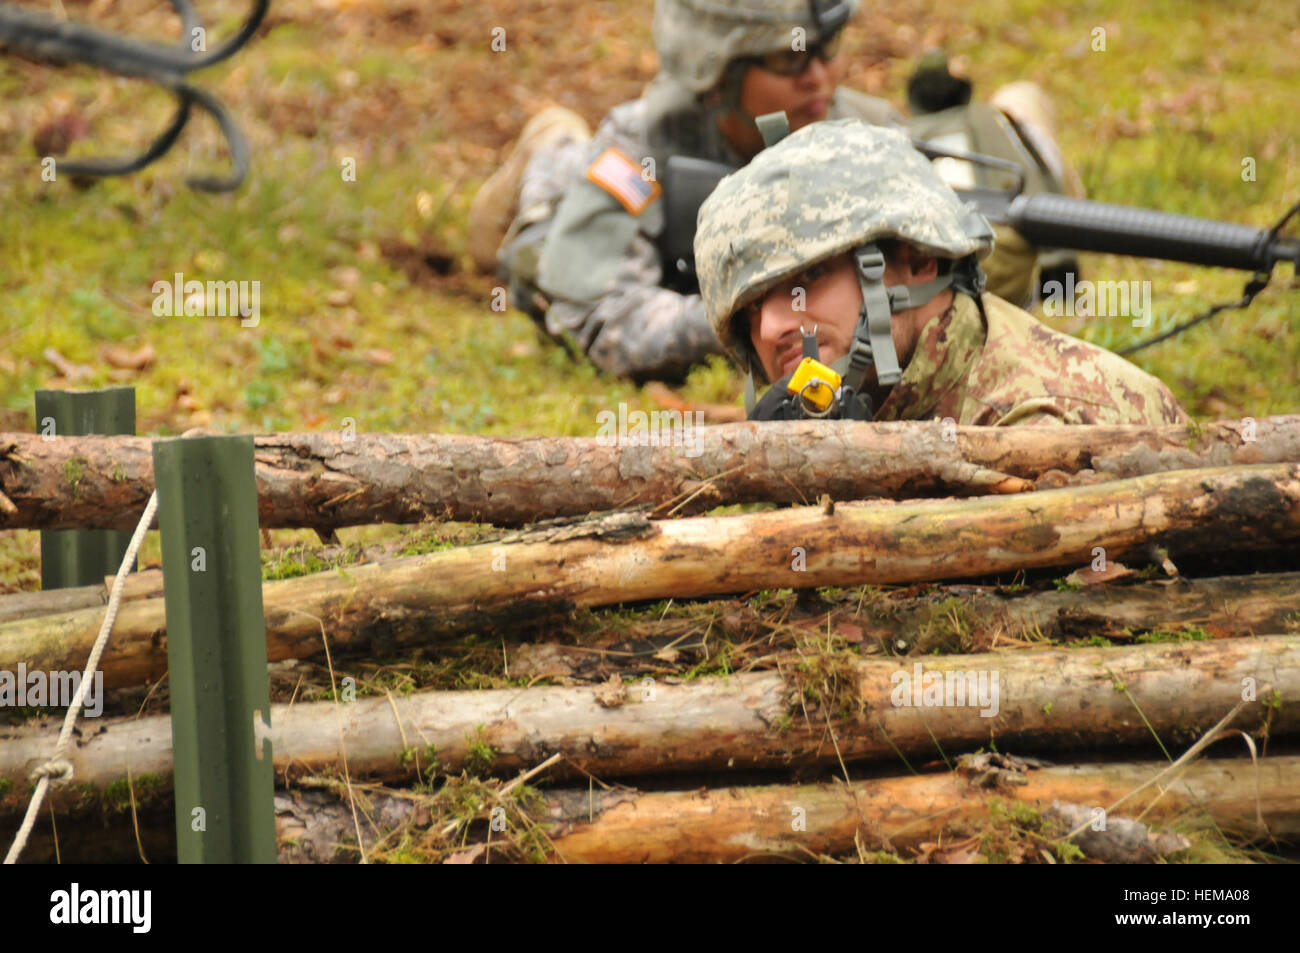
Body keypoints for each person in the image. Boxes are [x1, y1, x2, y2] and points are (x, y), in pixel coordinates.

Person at [469, 0, 1077, 383]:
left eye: (824, 52)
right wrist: (753, 308)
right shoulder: (641, 148)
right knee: (537, 252)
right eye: (787, 63)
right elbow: (602, 317)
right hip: (597, 205)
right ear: (719, 73)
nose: (817, 77)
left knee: (1002, 133)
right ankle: (548, 144)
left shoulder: (858, 126)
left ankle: (1025, 118)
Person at [693, 119, 1188, 427]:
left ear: (917, 259)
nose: (773, 326)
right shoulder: (861, 407)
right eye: (751, 309)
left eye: (809, 278)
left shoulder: (1045, 426)